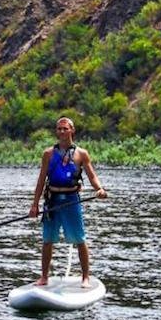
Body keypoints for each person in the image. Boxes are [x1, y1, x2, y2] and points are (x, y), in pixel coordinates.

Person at [28, 116, 107, 288]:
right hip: (52, 201)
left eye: (65, 128)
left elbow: (92, 175)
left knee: (80, 239)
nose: (62, 131)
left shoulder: (81, 154)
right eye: (59, 129)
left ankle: (85, 277)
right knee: (47, 239)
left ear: (72, 130)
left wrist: (99, 189)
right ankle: (44, 277)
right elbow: (41, 180)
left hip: (71, 201)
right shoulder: (48, 154)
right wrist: (34, 205)